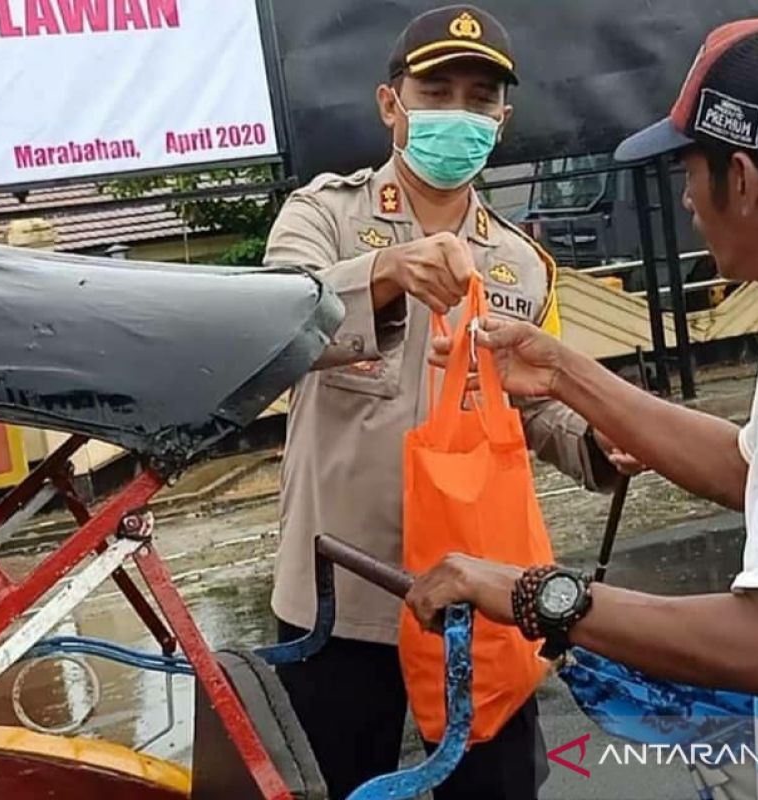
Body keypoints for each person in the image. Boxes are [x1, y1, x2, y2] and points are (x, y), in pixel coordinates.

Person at [406, 14, 758, 800]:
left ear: (744, 181)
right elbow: (755, 469)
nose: (686, 198)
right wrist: (562, 371)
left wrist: (531, 592)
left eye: (690, 169)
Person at [262, 5, 630, 798]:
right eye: (437, 90)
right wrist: (386, 275)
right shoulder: (323, 215)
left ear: (503, 119)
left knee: (495, 788)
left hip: (482, 593)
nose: (458, 113)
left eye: (479, 97)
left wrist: (601, 443)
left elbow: (533, 408)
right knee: (332, 784)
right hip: (341, 593)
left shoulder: (523, 266)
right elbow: (275, 324)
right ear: (391, 104)